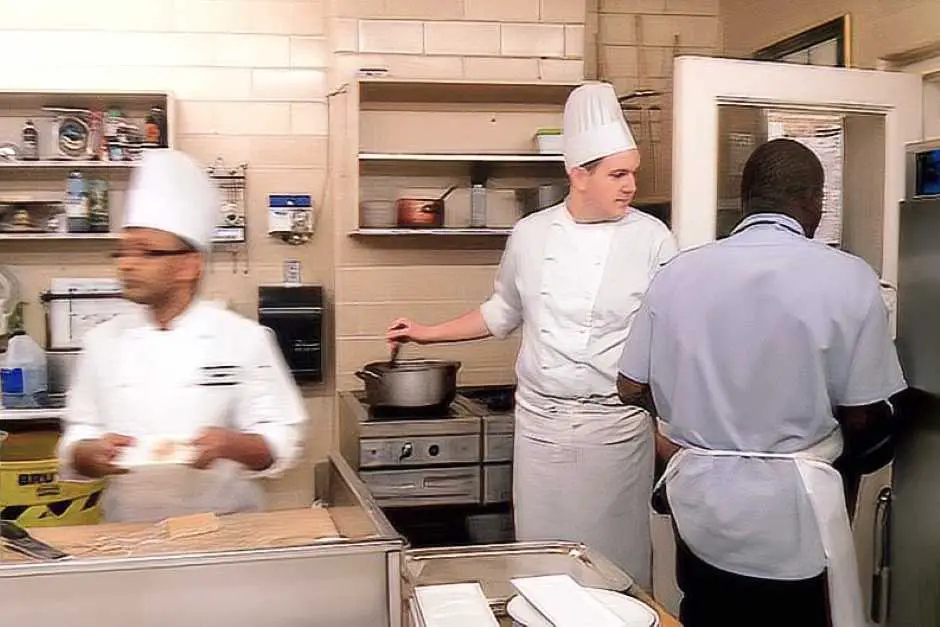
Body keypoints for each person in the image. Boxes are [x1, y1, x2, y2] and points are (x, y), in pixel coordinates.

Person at [386, 82, 677, 588]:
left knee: (616, 569)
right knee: (542, 568)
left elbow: (673, 333)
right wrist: (427, 334)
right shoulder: (531, 234)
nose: (630, 186)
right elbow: (501, 312)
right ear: (577, 174)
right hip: (541, 428)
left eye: (633, 172)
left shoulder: (652, 238)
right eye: (618, 174)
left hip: (615, 430)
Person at [617, 138, 906, 626]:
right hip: (794, 512)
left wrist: (679, 434)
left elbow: (628, 386)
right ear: (814, 202)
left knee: (707, 613)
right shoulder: (851, 278)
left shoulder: (678, 273)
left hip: (702, 509)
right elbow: (863, 413)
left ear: (746, 198)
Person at [57, 149, 308, 523]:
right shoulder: (101, 343)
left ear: (188, 265)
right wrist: (87, 453)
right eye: (122, 251)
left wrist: (231, 444)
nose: (126, 263)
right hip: (128, 532)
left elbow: (280, 440)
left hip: (227, 529)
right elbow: (79, 432)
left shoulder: (243, 339)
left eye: (145, 252)